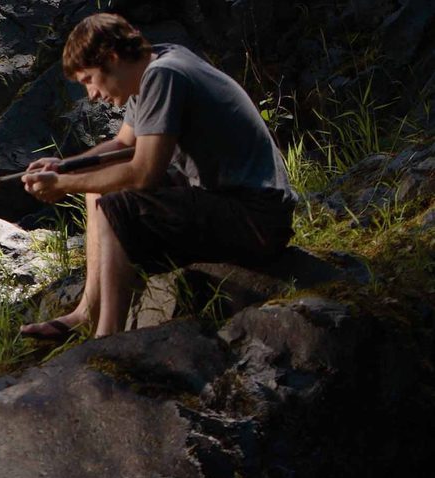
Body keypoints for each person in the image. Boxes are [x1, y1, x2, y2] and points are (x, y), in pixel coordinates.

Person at [19, 13, 296, 339]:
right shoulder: (156, 65)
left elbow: (144, 174)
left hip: (256, 218)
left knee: (117, 207)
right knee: (100, 185)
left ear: (112, 58)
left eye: (89, 80)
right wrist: (63, 167)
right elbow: (123, 144)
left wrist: (63, 186)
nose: (91, 95)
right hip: (236, 203)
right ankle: (87, 312)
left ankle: (107, 338)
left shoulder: (164, 76)